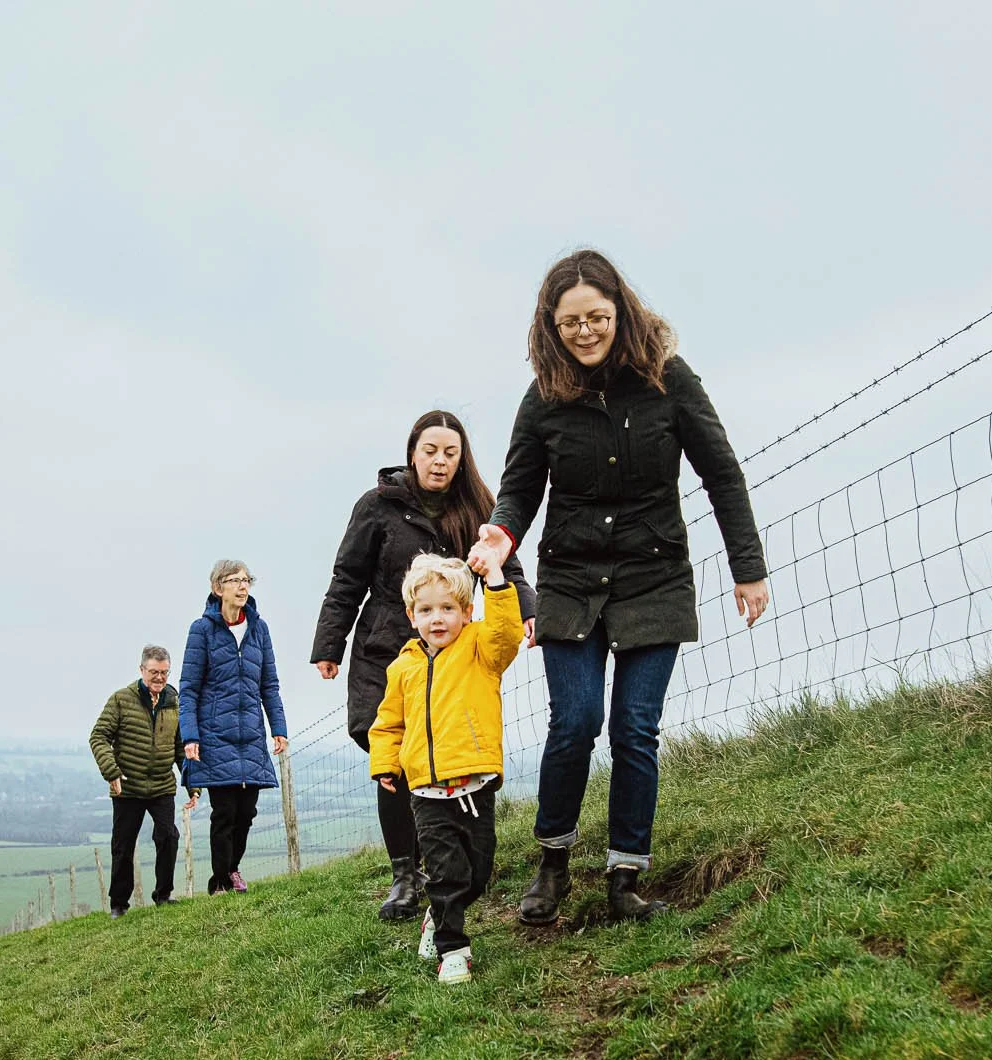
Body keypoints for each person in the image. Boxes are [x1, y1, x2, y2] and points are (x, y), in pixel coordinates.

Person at [468, 250, 769, 926]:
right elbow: (519, 489)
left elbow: (722, 472)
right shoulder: (543, 396)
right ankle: (552, 862)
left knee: (634, 728)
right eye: (570, 322)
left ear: (620, 311)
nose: (585, 331)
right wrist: (501, 535)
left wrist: (746, 566)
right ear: (551, 325)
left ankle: (625, 876)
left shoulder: (670, 379)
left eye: (596, 317)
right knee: (576, 721)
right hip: (572, 579)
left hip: (653, 576)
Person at [310, 410, 535, 922]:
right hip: (385, 648)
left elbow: (509, 566)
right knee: (390, 754)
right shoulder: (377, 505)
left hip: (451, 656)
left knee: (437, 752)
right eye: (430, 450)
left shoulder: (478, 507)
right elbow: (347, 578)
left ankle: (445, 858)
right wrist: (330, 644)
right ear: (412, 453)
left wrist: (527, 609)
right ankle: (405, 875)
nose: (440, 461)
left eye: (450, 453)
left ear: (462, 458)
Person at [368, 554, 525, 985]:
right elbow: (389, 724)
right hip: (426, 792)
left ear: (466, 611)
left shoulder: (480, 649)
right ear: (411, 616)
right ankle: (453, 949)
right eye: (426, 609)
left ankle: (438, 915)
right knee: (444, 873)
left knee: (478, 872)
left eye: (448, 608)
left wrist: (496, 580)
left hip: (476, 783)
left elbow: (507, 633)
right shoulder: (402, 668)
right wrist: (386, 764)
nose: (437, 618)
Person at [180, 559, 288, 894]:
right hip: (215, 735)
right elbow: (189, 689)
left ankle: (232, 869)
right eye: (235, 580)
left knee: (247, 812)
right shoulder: (202, 630)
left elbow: (269, 684)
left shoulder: (259, 629)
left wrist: (278, 727)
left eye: (246, 580)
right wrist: (190, 736)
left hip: (251, 734)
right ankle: (221, 881)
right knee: (224, 811)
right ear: (218, 588)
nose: (243, 586)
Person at [88, 646, 196, 917]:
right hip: (128, 786)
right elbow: (98, 736)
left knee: (169, 837)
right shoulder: (121, 699)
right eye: (154, 672)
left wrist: (192, 784)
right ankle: (119, 905)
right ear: (142, 670)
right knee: (123, 845)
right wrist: (111, 772)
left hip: (161, 784)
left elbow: (180, 747)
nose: (159, 677)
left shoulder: (174, 701)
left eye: (164, 672)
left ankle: (164, 895)